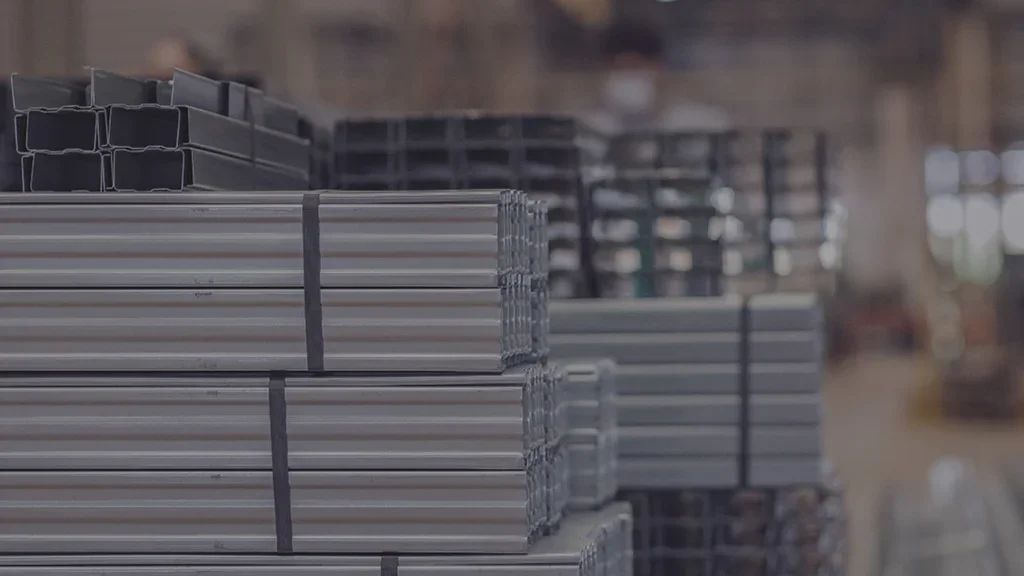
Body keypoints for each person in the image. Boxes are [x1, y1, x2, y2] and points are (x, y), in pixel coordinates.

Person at [590, 19, 729, 134]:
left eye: (636, 68)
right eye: (620, 70)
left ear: (661, 68)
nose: (629, 80)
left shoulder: (703, 124)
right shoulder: (590, 130)